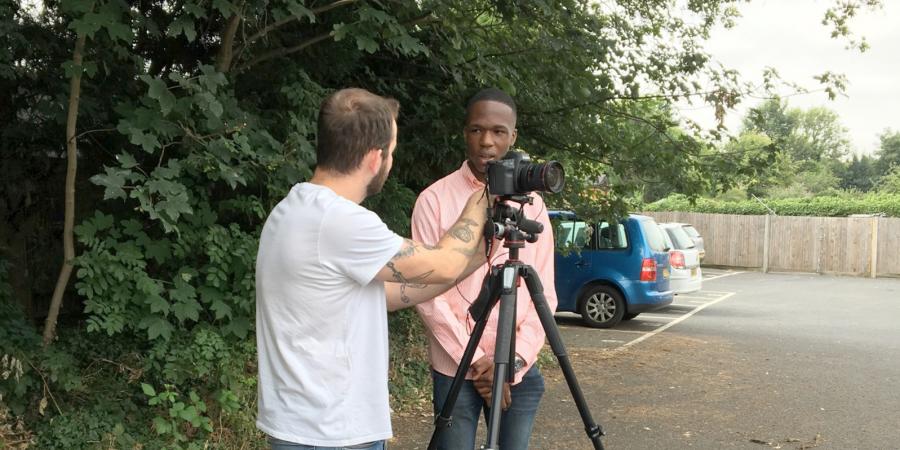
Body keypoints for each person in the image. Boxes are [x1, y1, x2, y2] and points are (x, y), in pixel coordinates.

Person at [255, 88, 491, 450]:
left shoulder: (294, 209)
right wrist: (482, 201)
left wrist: (473, 260)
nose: (391, 162)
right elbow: (442, 263)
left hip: (305, 425)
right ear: (374, 158)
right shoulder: (338, 221)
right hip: (332, 433)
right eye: (392, 153)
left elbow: (388, 295)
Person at [411, 88, 558, 450]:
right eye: (477, 130)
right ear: (464, 133)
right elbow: (427, 294)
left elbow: (545, 294)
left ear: (513, 136)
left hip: (518, 373)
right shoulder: (434, 200)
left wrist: (513, 362)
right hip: (456, 369)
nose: (486, 142)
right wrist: (479, 364)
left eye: (498, 131)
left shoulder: (534, 206)